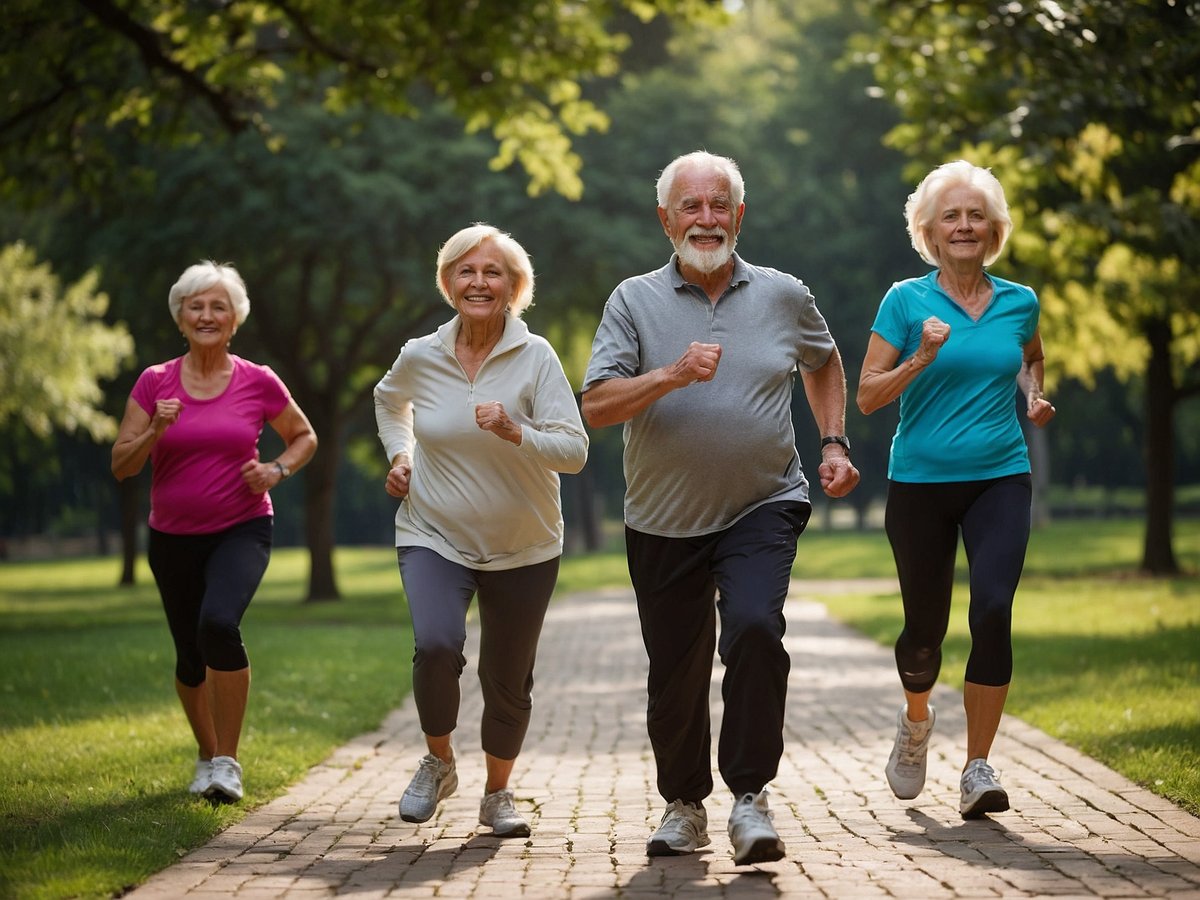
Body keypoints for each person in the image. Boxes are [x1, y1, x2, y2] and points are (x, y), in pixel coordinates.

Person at [581, 151, 860, 865]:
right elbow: (596, 404)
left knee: (756, 629)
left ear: (739, 215)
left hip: (762, 501)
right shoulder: (631, 300)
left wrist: (831, 441)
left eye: (718, 206)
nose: (705, 219)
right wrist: (672, 374)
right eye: (690, 206)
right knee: (675, 668)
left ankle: (749, 797)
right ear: (665, 218)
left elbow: (823, 360)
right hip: (662, 516)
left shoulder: (784, 294)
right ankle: (683, 805)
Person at [374, 223, 588, 838]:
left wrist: (516, 429)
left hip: (525, 542)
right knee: (438, 644)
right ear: (448, 282)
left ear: (514, 287)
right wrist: (400, 455)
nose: (479, 282)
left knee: (507, 676)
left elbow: (573, 451)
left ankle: (498, 793)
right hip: (432, 529)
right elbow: (389, 403)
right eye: (466, 271)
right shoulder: (421, 354)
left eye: (493, 272)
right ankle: (439, 762)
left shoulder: (536, 355)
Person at [856, 160, 1056, 819]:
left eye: (976, 216)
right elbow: (865, 396)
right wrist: (921, 357)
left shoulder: (1019, 300)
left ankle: (977, 766)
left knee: (993, 609)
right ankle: (916, 722)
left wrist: (1035, 396)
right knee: (924, 633)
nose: (965, 225)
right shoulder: (906, 302)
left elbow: (1029, 356)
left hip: (1001, 475)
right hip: (921, 483)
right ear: (931, 232)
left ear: (993, 230)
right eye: (952, 216)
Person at [111, 261, 317, 803]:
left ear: (234, 319)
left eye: (218, 306)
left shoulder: (258, 380)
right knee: (188, 653)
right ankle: (205, 754)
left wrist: (276, 470)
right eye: (196, 306)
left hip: (242, 526)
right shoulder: (154, 383)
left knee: (219, 624)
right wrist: (156, 426)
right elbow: (121, 465)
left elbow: (304, 436)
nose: (207, 315)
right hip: (172, 536)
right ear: (180, 317)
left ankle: (228, 761)